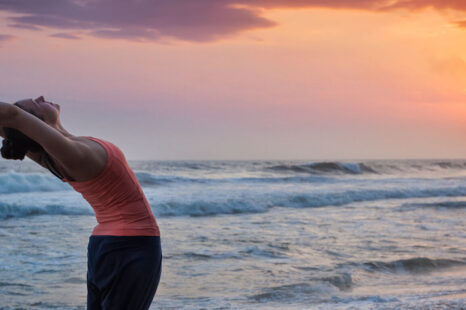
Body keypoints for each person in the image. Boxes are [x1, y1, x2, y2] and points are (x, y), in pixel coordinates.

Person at [0, 96, 162, 310]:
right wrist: (16, 120)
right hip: (131, 245)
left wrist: (14, 127)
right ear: (35, 120)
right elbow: (12, 116)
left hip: (107, 244)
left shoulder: (58, 154)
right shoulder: (73, 154)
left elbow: (11, 123)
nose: (40, 97)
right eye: (35, 103)